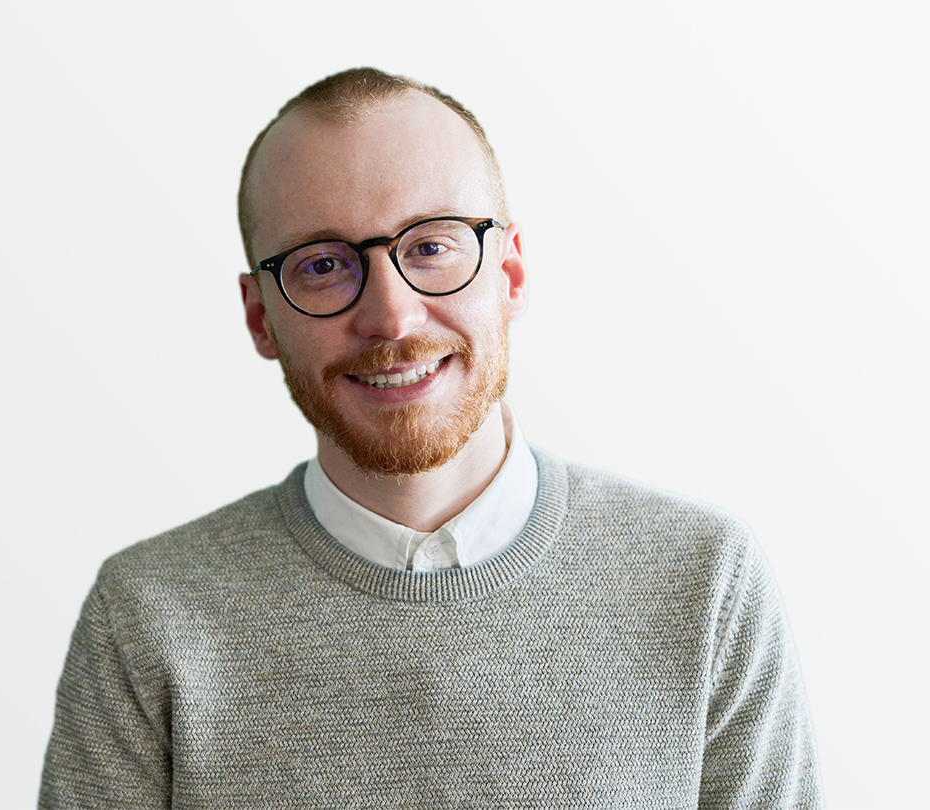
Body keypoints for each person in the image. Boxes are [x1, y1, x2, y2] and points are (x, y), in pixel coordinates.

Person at [40, 68, 822, 808]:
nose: (392, 316)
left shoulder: (705, 583)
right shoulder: (147, 618)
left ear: (510, 274)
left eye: (431, 246)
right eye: (322, 264)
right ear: (260, 318)